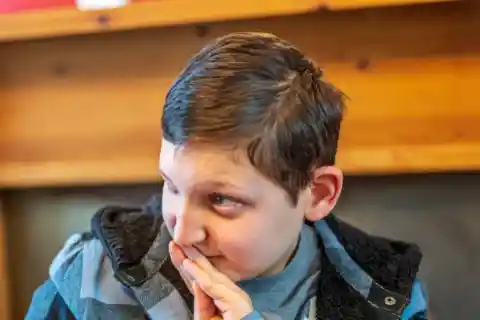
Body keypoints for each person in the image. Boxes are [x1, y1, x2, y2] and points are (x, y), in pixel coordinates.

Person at [26, 32, 429, 320]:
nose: (182, 235)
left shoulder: (387, 298)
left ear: (318, 194)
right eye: (172, 185)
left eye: (221, 200)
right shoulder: (89, 280)